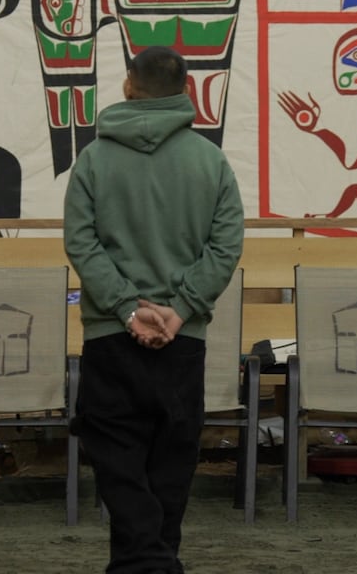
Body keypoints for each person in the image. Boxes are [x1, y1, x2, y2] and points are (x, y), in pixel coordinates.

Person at [64, 45, 244, 574]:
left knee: (116, 458)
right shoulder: (211, 161)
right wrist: (181, 309)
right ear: (186, 92)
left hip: (109, 334)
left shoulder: (93, 160)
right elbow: (226, 246)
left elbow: (80, 243)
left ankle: (145, 563)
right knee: (171, 463)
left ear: (128, 86)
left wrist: (126, 308)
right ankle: (158, 562)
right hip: (182, 339)